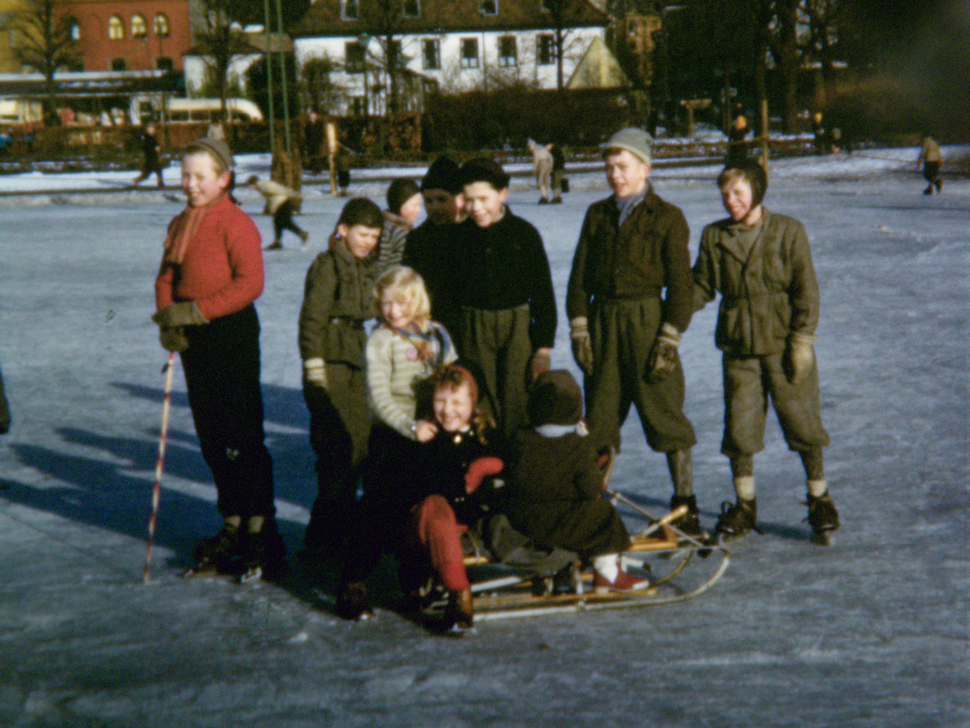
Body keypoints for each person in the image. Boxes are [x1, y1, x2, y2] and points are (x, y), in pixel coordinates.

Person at [152, 137, 285, 579]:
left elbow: (250, 283)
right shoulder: (181, 223)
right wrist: (169, 318)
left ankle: (260, 528)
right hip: (194, 337)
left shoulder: (235, 222)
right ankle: (231, 520)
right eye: (185, 175)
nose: (190, 184)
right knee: (211, 435)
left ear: (223, 179)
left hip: (230, 332)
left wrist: (200, 311)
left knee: (241, 434)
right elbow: (167, 275)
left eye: (200, 177)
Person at [692, 159, 838, 544]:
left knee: (803, 424)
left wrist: (803, 340)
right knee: (740, 430)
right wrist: (670, 310)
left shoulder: (789, 231)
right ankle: (745, 505)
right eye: (725, 194)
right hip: (739, 346)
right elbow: (702, 286)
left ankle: (819, 498)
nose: (731, 201)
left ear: (757, 191)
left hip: (783, 343)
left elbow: (806, 289)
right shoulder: (713, 236)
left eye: (738, 192)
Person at [565, 127, 701, 535]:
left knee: (665, 416)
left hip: (647, 324)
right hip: (603, 323)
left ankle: (685, 505)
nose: (615, 175)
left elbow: (681, 286)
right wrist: (579, 328)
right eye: (609, 167)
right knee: (600, 420)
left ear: (645, 168)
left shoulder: (669, 217)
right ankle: (593, 505)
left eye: (623, 166)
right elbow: (578, 279)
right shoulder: (597, 214)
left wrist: (669, 337)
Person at [336, 266, 457, 621]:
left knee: (426, 507)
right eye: (385, 303)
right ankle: (353, 581)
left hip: (434, 433)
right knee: (382, 507)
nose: (393, 311)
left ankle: (416, 581)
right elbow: (377, 398)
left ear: (416, 299)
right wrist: (410, 425)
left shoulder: (437, 336)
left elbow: (453, 378)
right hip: (394, 437)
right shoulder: (381, 341)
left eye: (401, 302)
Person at [509, 370, 648, 593]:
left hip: (524, 520)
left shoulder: (520, 440)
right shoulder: (577, 447)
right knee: (603, 515)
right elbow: (592, 489)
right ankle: (607, 573)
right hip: (560, 521)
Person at [298, 197, 383, 557]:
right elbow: (312, 318)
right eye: (363, 234)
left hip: (355, 355)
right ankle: (328, 534)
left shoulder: (366, 266)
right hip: (330, 356)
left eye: (375, 236)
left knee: (360, 442)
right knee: (340, 446)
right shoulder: (328, 265)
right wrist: (313, 365)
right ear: (343, 229)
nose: (369, 242)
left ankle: (334, 529)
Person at [455, 157, 557, 436]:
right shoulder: (459, 237)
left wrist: (543, 346)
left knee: (517, 395)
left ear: (503, 194)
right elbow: (451, 293)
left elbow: (543, 293)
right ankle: (489, 467)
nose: (476, 208)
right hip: (473, 326)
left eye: (484, 199)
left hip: (517, 327)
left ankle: (518, 465)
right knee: (480, 397)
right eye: (468, 199)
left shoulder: (524, 234)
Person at [402, 155, 466, 342]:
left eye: (441, 199)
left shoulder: (471, 234)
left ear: (459, 199)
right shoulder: (417, 239)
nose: (434, 207)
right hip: (431, 331)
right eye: (428, 201)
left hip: (469, 331)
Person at [246, 175, 309, 250]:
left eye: (251, 186)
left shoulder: (263, 185)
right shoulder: (262, 186)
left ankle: (301, 234)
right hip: (279, 204)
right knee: (278, 223)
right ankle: (278, 242)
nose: (251, 188)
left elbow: (279, 190)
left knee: (285, 223)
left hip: (282, 204)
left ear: (254, 183)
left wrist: (294, 194)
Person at [378, 178, 423, 273]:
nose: (418, 210)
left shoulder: (402, 227)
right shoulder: (391, 230)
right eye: (414, 205)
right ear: (399, 204)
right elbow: (379, 264)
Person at [132, 123, 164, 188]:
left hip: (152, 157)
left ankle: (160, 183)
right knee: (153, 171)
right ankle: (137, 180)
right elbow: (147, 147)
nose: (152, 130)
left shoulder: (151, 137)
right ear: (147, 130)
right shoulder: (148, 138)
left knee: (154, 171)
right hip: (151, 157)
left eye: (153, 129)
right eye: (151, 129)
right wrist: (155, 148)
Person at [527, 138, 554, 204]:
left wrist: (534, 168)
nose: (530, 148)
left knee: (540, 181)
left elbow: (536, 160)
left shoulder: (536, 151)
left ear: (534, 145)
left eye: (530, 146)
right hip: (547, 163)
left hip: (541, 164)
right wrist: (550, 165)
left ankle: (544, 196)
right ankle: (546, 195)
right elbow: (550, 158)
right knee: (546, 180)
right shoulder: (544, 148)